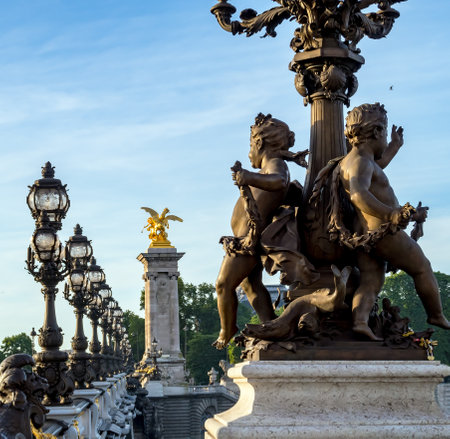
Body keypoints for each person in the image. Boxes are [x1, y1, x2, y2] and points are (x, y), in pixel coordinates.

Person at [338, 103, 450, 340]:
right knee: (422, 267)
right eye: (385, 133)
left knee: (371, 280)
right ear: (377, 132)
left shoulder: (355, 160)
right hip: (383, 231)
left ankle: (360, 320)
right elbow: (359, 193)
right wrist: (392, 214)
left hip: (363, 235)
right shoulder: (362, 162)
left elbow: (378, 166)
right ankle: (436, 314)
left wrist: (394, 147)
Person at [213, 113, 318, 349]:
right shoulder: (269, 167)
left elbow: (279, 181)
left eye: (251, 146)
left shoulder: (275, 165)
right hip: (245, 238)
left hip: (247, 241)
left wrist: (247, 177)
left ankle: (227, 329)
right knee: (250, 285)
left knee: (223, 284)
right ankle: (269, 323)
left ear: (259, 144)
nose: (250, 152)